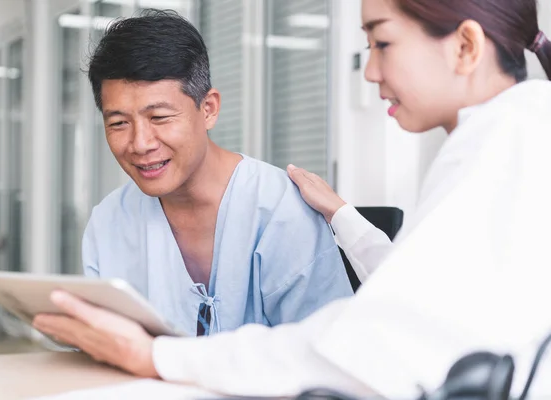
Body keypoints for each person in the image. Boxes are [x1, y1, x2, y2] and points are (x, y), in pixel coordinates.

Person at [33, 0, 551, 398]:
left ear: (465, 46)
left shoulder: (508, 144)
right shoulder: (509, 135)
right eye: (118, 122)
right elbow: (422, 296)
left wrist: (158, 357)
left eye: (382, 43)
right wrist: (345, 217)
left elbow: (356, 346)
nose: (369, 71)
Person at [80, 10, 353, 337]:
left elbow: (326, 352)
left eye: (160, 117)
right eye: (118, 123)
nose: (140, 144)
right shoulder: (109, 222)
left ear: (208, 109)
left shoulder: (280, 209)